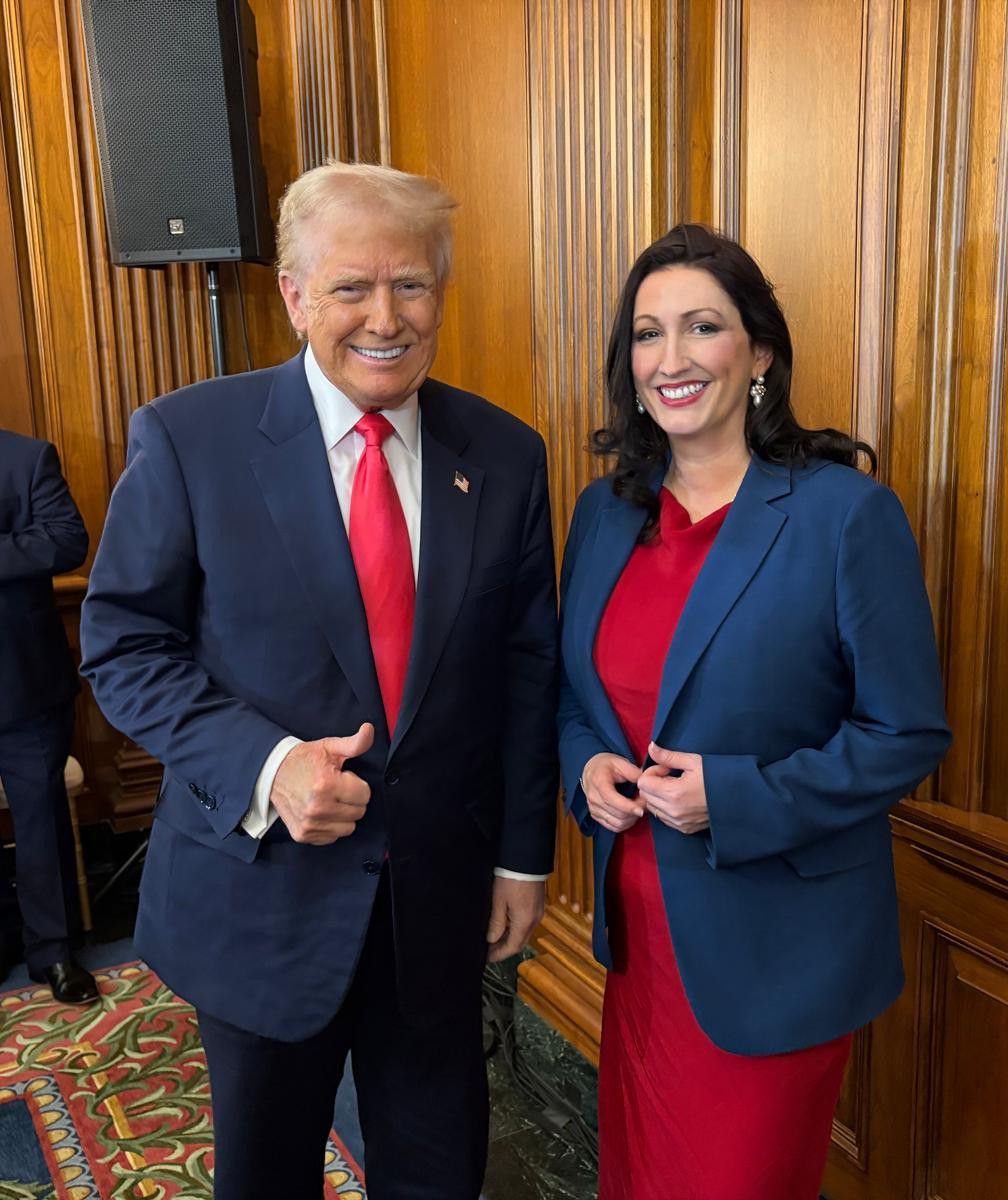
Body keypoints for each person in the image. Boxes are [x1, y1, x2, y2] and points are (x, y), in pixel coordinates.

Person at [80, 162, 558, 1200]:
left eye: (413, 285)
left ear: (442, 293)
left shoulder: (509, 456)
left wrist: (525, 857)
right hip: (260, 902)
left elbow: (527, 673)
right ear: (295, 296)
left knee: (440, 1173)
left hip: (438, 906)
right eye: (351, 287)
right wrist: (267, 764)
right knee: (267, 1178)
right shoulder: (190, 438)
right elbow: (123, 644)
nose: (385, 316)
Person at [557, 224, 951, 1199]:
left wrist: (735, 798)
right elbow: (572, 696)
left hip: (777, 957)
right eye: (648, 335)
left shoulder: (842, 516)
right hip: (641, 949)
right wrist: (583, 768)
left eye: (702, 327)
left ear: (760, 350)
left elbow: (907, 733)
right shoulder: (604, 513)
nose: (672, 358)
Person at [0, 428, 98, 1005]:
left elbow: (68, 540)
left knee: (40, 823)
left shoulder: (26, 456)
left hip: (24, 684)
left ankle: (54, 954)